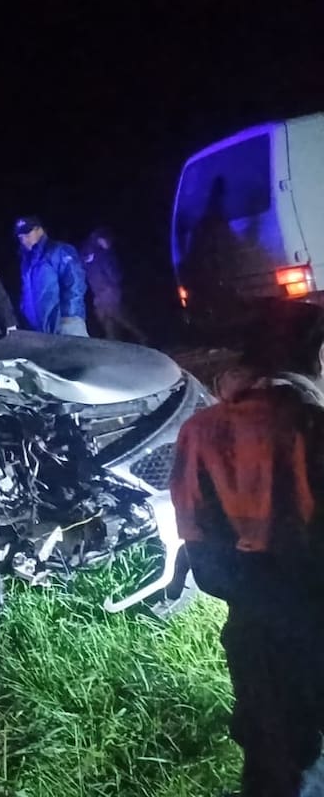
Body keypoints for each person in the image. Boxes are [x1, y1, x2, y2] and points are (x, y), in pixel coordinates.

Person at [170, 300, 324, 797]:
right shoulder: (312, 428)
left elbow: (206, 563)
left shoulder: (198, 432)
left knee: (272, 765)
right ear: (317, 358)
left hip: (253, 643)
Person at [14, 216, 88, 336]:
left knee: (77, 354)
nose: (24, 240)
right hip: (40, 327)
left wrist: (69, 316)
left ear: (40, 230)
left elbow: (75, 283)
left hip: (65, 323)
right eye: (20, 237)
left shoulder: (59, 250)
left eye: (28, 235)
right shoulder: (27, 260)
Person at [81, 227, 148, 344]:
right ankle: (140, 337)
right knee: (115, 318)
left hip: (101, 293)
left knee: (112, 319)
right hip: (106, 291)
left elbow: (86, 270)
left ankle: (135, 338)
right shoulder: (102, 253)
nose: (109, 244)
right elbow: (114, 274)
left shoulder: (88, 254)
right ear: (101, 239)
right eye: (108, 241)